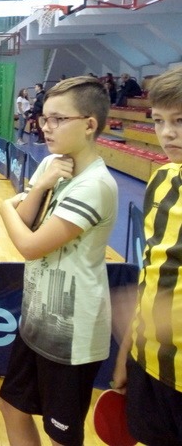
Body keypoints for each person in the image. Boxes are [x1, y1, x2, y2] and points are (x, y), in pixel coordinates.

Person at [0, 76, 117, 446]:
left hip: (72, 334)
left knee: (60, 436)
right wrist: (40, 185)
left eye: (58, 119)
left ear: (89, 124)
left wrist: (4, 207)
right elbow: (28, 218)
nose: (46, 127)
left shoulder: (95, 185)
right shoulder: (52, 163)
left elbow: (30, 245)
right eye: (44, 118)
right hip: (36, 319)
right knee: (10, 406)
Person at [112, 66, 182, 445]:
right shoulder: (162, 179)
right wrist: (128, 350)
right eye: (158, 121)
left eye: (180, 121)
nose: (167, 133)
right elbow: (150, 272)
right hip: (148, 364)